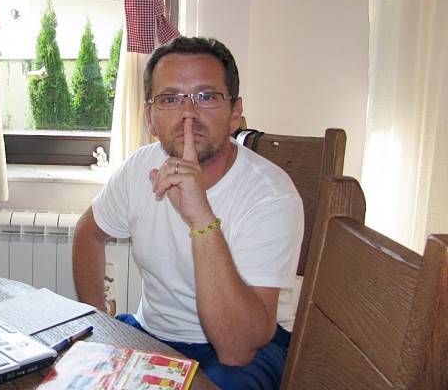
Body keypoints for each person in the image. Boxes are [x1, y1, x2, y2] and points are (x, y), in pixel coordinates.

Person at [72, 36, 303, 389]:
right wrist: (98, 320)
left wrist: (201, 219)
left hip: (246, 348)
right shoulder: (139, 168)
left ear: (235, 113)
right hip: (150, 335)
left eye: (206, 96)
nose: (188, 114)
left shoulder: (271, 195)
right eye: (170, 99)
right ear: (149, 118)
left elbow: (237, 350)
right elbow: (89, 233)